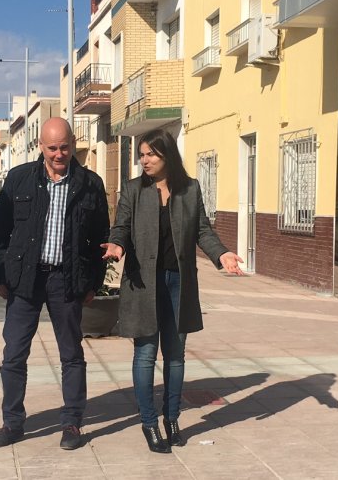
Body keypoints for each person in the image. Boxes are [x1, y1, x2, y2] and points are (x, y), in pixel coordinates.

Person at [102, 128, 245, 453]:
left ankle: (172, 418)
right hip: (144, 284)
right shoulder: (133, 189)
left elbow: (202, 230)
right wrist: (117, 245)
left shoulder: (189, 190)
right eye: (142, 154)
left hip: (178, 283)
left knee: (176, 357)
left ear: (167, 156)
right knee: (146, 353)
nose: (144, 160)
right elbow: (121, 226)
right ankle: (150, 424)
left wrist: (221, 254)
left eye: (150, 154)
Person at [0, 117, 110, 451]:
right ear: (41, 146)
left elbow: (100, 239)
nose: (59, 154)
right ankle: (12, 423)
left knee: (71, 353)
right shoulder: (19, 179)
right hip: (25, 279)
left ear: (72, 143)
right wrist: (0, 275)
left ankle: (71, 422)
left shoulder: (90, 184)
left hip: (66, 279)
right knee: (13, 354)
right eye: (52, 147)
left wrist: (93, 283)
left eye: (65, 147)